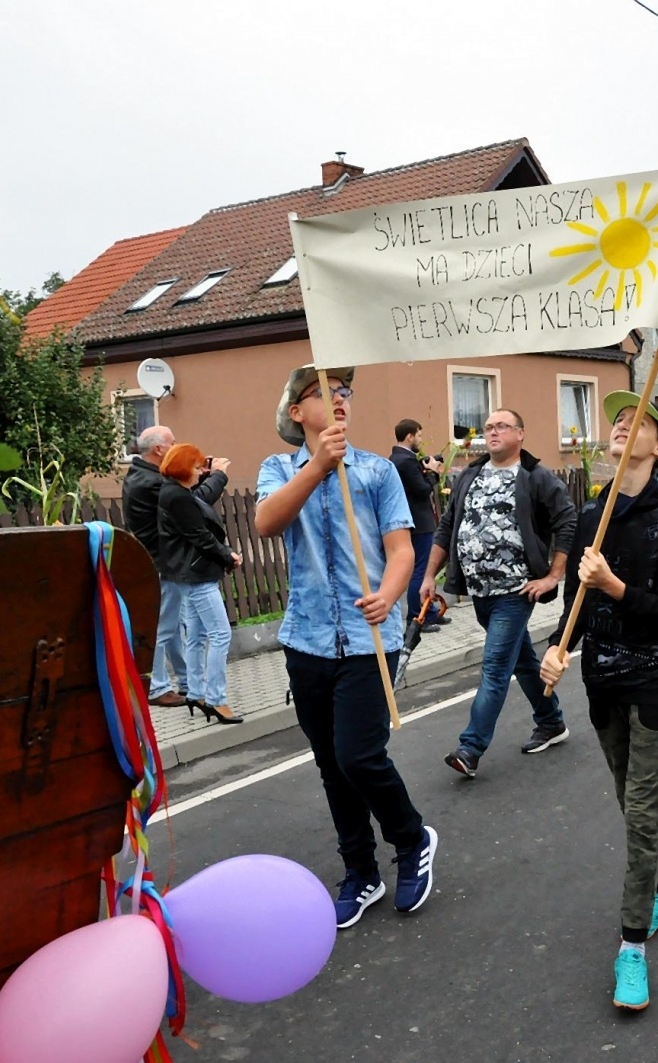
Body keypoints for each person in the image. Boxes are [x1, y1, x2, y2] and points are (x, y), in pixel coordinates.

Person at [255, 364, 436, 928]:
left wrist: (388, 593)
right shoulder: (279, 468)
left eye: (343, 390)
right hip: (305, 640)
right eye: (322, 393)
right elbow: (266, 522)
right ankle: (361, 872)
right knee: (332, 766)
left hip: (365, 640)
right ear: (296, 412)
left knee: (360, 756)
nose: (338, 399)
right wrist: (318, 466)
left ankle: (411, 840)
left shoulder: (379, 471)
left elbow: (401, 549)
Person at [538, 391, 658, 1013]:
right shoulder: (592, 514)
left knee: (637, 812)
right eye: (617, 422)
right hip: (601, 682)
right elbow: (581, 604)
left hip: (654, 680)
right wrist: (557, 645)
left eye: (639, 424)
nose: (622, 426)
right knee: (632, 798)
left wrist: (615, 585)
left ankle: (632, 947)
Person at [424, 408, 577, 778]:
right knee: (522, 660)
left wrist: (553, 576)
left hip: (516, 591)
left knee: (494, 667)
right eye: (489, 427)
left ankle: (470, 748)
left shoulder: (535, 477)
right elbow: (446, 527)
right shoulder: (469, 475)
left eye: (501, 426)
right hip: (479, 591)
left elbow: (568, 520)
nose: (492, 432)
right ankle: (551, 721)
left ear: (520, 434)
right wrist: (429, 575)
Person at [122, 425, 228, 707]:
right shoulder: (152, 482)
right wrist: (218, 476)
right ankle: (156, 687)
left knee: (178, 626)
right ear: (159, 450)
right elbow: (192, 504)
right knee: (166, 628)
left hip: (164, 561)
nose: (176, 446)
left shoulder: (142, 475)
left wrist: (194, 475)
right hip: (165, 563)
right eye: (173, 442)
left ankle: (185, 682)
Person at [155, 442, 241, 723]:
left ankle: (195, 691)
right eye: (196, 466)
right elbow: (199, 536)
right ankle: (216, 699)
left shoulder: (175, 492)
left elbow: (199, 513)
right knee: (219, 634)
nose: (200, 471)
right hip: (196, 574)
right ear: (182, 467)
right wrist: (227, 555)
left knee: (197, 635)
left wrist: (211, 475)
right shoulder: (178, 497)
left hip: (186, 573)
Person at [390, 418, 449, 631]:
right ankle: (418, 616)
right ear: (410, 436)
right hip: (419, 522)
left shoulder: (398, 459)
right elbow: (422, 490)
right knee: (421, 570)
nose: (420, 440)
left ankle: (430, 611)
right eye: (419, 436)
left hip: (412, 521)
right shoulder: (405, 462)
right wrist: (433, 472)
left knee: (420, 569)